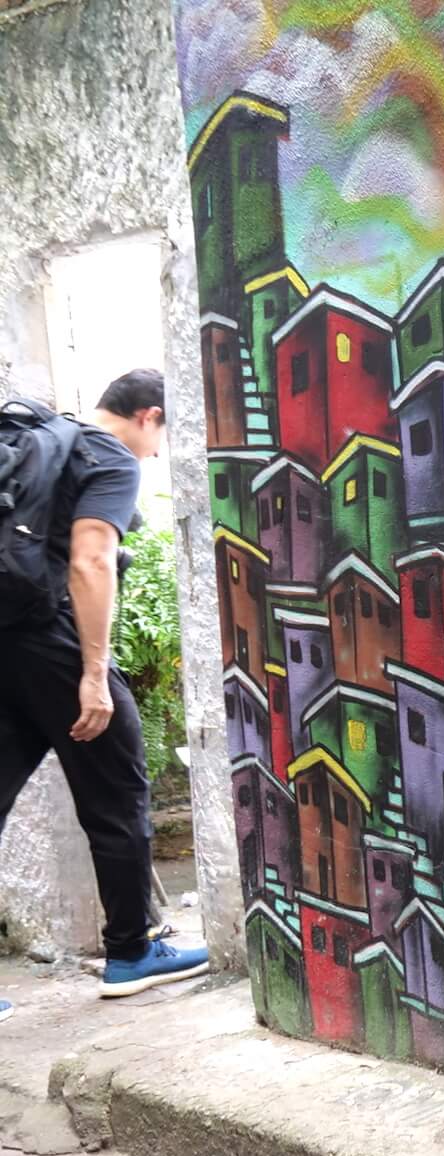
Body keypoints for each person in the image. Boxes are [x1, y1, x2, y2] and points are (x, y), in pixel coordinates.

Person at [0, 369, 206, 998]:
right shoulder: (109, 458)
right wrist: (93, 674)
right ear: (148, 415)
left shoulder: (41, 441)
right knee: (118, 792)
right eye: (161, 434)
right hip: (55, 640)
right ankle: (130, 952)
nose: (157, 451)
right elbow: (90, 562)